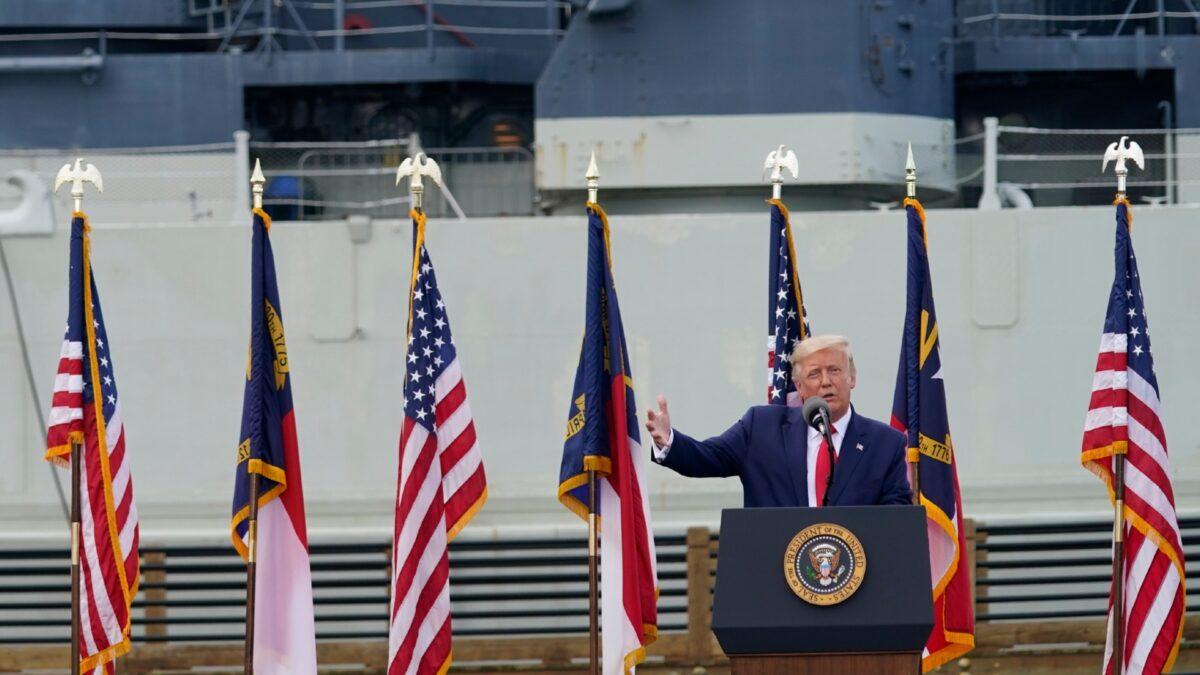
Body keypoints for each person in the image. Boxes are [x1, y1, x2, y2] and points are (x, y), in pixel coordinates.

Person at [645, 334, 911, 507]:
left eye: (835, 370)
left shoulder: (885, 443)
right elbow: (706, 457)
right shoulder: (761, 427)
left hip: (855, 579)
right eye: (815, 374)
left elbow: (895, 514)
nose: (826, 381)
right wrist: (668, 440)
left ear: (852, 377)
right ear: (800, 386)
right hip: (775, 576)